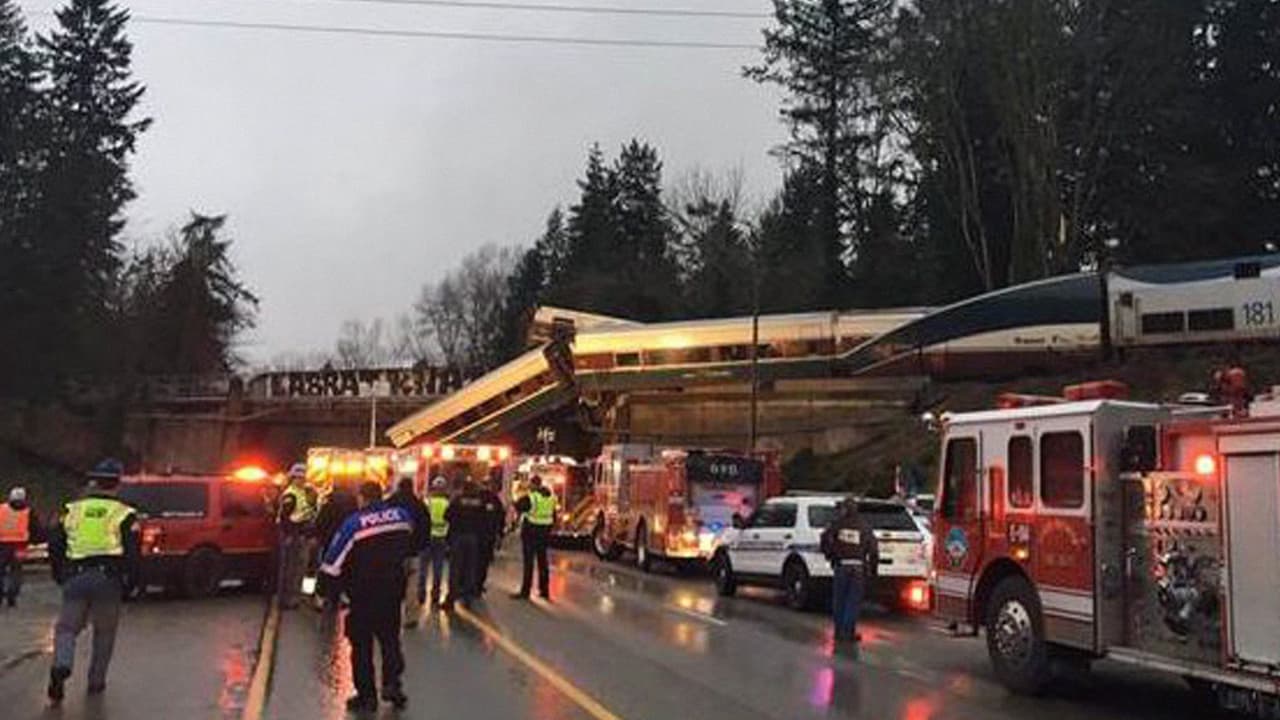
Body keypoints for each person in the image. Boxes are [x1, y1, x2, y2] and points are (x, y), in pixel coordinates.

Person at [46, 459, 140, 703]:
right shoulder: (125, 513)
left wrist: (59, 573)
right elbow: (132, 551)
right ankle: (96, 682)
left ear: (94, 481)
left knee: (66, 628)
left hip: (75, 575)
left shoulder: (71, 510)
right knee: (104, 633)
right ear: (117, 483)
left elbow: (54, 542)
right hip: (108, 579)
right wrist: (132, 582)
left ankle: (62, 664)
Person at [319, 481, 414, 712]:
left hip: (363, 593)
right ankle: (392, 684)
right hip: (392, 591)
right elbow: (411, 542)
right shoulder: (401, 516)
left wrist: (327, 591)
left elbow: (332, 563)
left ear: (362, 498)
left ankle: (367, 697)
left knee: (362, 647)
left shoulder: (354, 524)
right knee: (390, 640)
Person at [820, 498, 878, 649]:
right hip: (858, 566)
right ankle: (849, 631)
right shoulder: (864, 526)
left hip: (842, 565)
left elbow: (825, 540)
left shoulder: (837, 525)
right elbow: (873, 549)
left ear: (844, 509)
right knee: (853, 601)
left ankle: (840, 631)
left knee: (839, 600)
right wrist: (873, 569)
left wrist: (830, 556)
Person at [386, 475, 430, 627]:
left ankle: (390, 614)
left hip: (393, 553)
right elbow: (426, 528)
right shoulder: (419, 505)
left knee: (391, 584)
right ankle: (411, 617)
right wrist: (421, 547)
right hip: (412, 553)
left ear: (399, 487)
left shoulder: (390, 503)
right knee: (412, 585)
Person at [442, 478, 488, 610]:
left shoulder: (457, 500)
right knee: (470, 568)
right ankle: (467, 599)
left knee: (455, 568)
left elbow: (447, 516)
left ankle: (451, 599)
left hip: (458, 537)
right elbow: (484, 520)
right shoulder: (480, 502)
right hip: (473, 538)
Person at [277, 463, 316, 609]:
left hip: (300, 535)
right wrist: (289, 536)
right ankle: (287, 600)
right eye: (298, 478)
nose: (301, 480)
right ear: (293, 478)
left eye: (303, 478)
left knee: (299, 568)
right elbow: (285, 518)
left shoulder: (302, 493)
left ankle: (294, 598)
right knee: (290, 570)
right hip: (293, 536)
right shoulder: (291, 494)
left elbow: (306, 514)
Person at [511, 475, 557, 601]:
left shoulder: (531, 497)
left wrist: (514, 501)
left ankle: (525, 591)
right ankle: (544, 591)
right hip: (545, 532)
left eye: (531, 484)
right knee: (543, 562)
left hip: (531, 531)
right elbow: (554, 516)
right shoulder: (551, 497)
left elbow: (518, 506)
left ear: (534, 484)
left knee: (529, 562)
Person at [0, 486, 45, 607]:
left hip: (2, 545)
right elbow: (36, 529)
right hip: (20, 545)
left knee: (1, 570)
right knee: (16, 571)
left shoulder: (1, 509)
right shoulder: (28, 512)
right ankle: (12, 595)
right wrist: (37, 540)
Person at [419, 477, 450, 607]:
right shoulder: (447, 504)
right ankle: (435, 595)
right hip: (442, 538)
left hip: (427, 538)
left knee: (423, 568)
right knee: (438, 568)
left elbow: (422, 520)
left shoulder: (428, 502)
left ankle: (421, 594)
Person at [476, 477, 505, 595]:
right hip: (488, 536)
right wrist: (500, 534)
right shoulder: (494, 499)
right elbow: (501, 518)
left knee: (476, 561)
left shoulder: (476, 497)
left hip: (478, 536)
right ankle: (478, 585)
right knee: (483, 562)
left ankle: (473, 584)